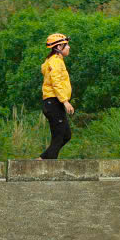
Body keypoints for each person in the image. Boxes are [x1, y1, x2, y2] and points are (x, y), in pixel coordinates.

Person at [39, 32, 74, 160]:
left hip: (55, 102)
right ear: (59, 47)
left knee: (66, 135)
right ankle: (49, 166)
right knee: (59, 136)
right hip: (53, 102)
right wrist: (65, 101)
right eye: (66, 45)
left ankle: (42, 159)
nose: (69, 47)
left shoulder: (57, 61)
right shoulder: (55, 61)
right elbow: (56, 82)